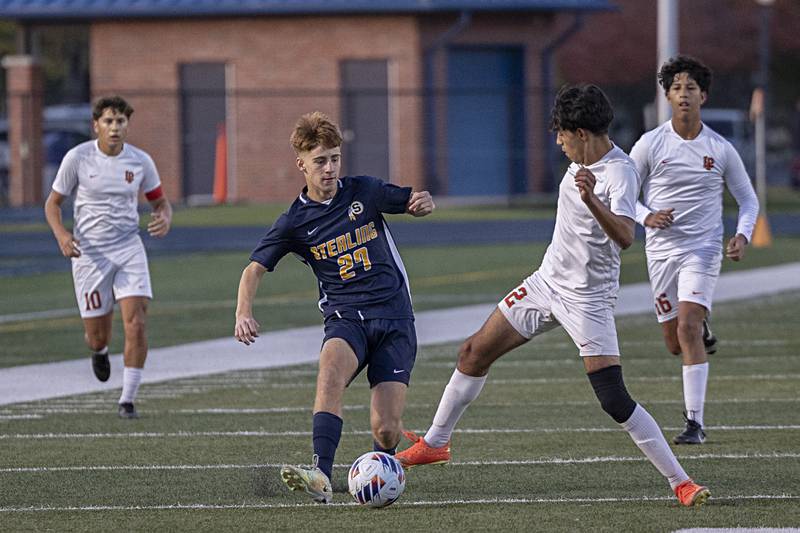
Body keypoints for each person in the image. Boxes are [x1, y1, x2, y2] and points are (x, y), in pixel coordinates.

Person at [396, 84, 710, 507]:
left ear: (581, 132)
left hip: (588, 300)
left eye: (562, 134)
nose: (558, 143)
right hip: (545, 283)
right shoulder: (581, 161)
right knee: (472, 353)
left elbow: (624, 236)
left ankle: (681, 482)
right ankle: (436, 442)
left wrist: (590, 197)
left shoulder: (619, 172)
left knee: (614, 399)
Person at [233, 111, 434, 504]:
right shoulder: (294, 222)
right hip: (346, 319)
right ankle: (321, 474)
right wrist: (243, 311)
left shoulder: (365, 192)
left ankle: (384, 467)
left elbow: (409, 199)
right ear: (301, 164)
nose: (330, 169)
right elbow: (253, 269)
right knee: (329, 374)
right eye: (320, 161)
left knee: (387, 427)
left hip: (395, 319)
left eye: (335, 159)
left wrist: (420, 203)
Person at [629, 56, 759, 445]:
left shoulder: (720, 148)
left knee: (687, 327)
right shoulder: (651, 144)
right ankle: (700, 324)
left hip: (702, 249)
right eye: (676, 88)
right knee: (674, 342)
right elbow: (622, 195)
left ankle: (694, 423)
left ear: (703, 95)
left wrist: (743, 236)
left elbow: (748, 201)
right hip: (661, 252)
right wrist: (646, 217)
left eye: (690, 88)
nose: (683, 94)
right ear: (667, 96)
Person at [44, 95, 172, 419]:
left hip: (129, 247)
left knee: (137, 322)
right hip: (89, 253)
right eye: (109, 121)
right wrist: (62, 235)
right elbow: (53, 204)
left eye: (121, 121)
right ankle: (99, 351)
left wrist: (165, 216)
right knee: (97, 334)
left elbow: (161, 202)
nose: (115, 127)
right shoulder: (78, 158)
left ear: (127, 125)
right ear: (96, 125)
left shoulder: (140, 161)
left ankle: (127, 400)